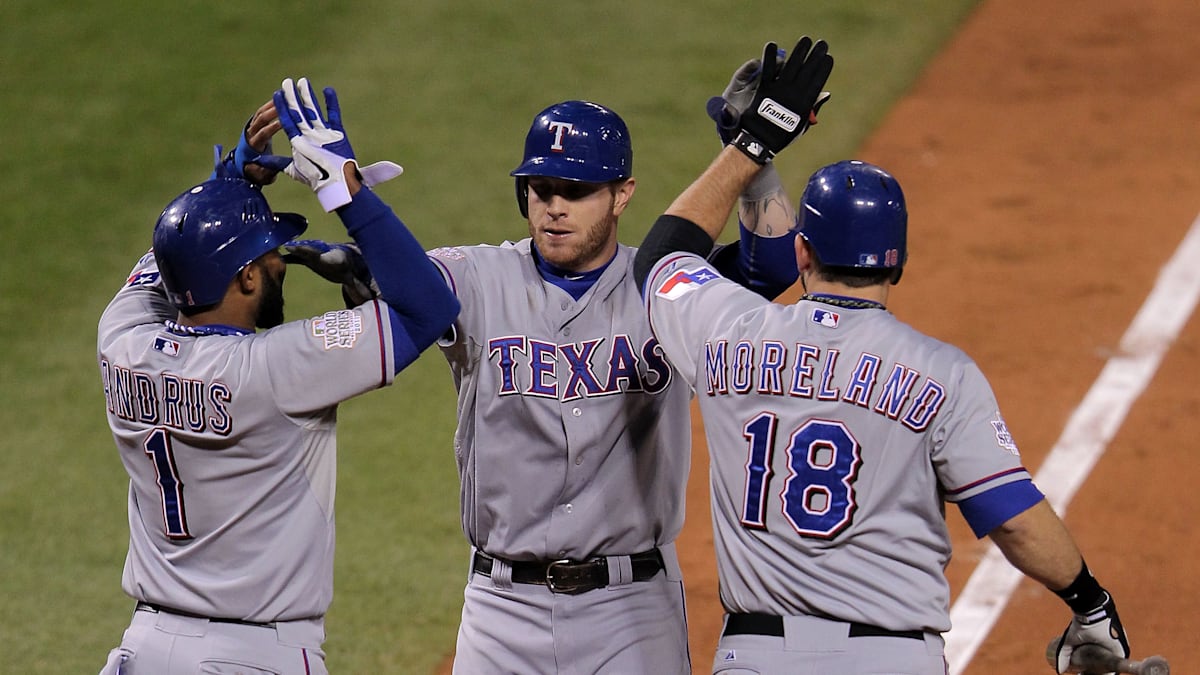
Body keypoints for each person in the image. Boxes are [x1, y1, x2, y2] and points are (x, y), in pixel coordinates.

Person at [634, 39, 1132, 675]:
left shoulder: (727, 331)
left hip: (757, 656)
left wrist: (751, 147)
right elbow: (1013, 521)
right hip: (890, 660)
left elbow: (659, 260)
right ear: (898, 259)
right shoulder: (944, 375)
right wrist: (1088, 602)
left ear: (805, 253)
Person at [415, 80, 809, 674]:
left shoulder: (665, 289)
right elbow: (406, 285)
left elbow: (773, 263)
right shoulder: (477, 276)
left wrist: (751, 157)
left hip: (632, 609)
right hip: (501, 609)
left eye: (576, 191)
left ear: (621, 195)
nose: (554, 207)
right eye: (540, 189)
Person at [96, 78, 459, 674]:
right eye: (270, 254)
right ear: (243, 281)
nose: (279, 260)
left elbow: (171, 256)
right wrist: (348, 194)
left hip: (145, 648)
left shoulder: (122, 340)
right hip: (253, 657)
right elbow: (428, 308)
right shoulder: (278, 369)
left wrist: (231, 185)